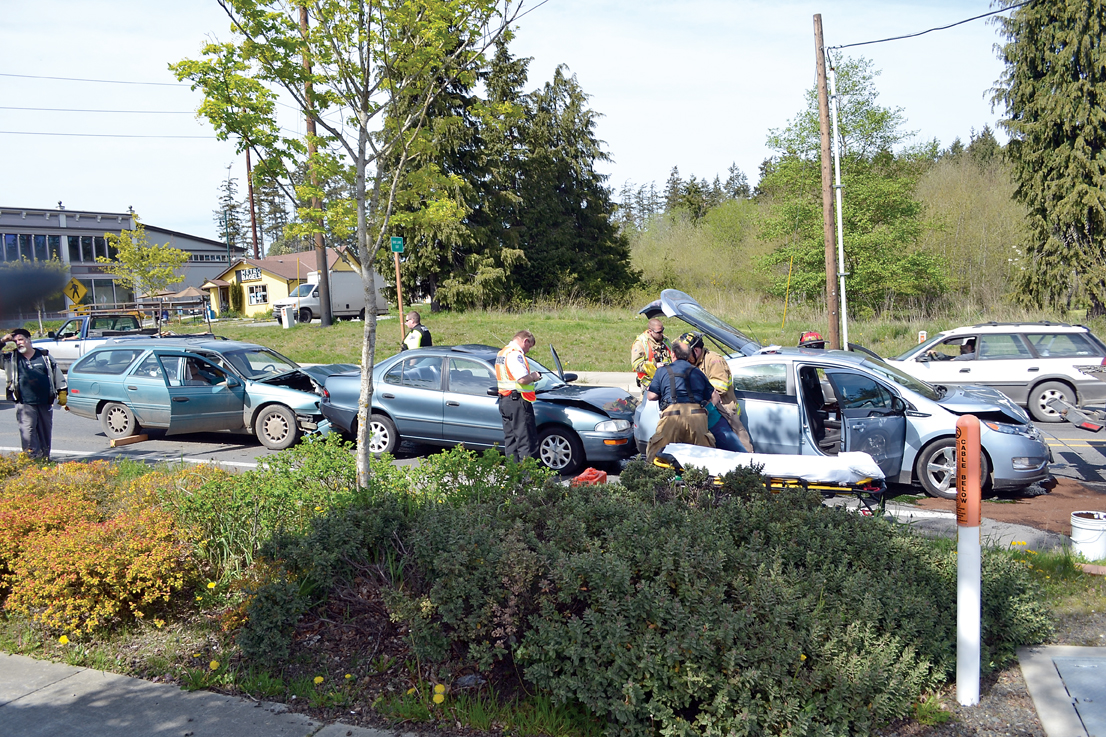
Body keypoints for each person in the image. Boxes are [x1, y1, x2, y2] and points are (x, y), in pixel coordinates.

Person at [644, 335, 718, 462]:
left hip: (671, 416)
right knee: (704, 459)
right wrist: (705, 409)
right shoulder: (697, 371)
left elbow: (652, 396)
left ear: (673, 354)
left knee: (657, 455)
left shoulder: (662, 371)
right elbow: (715, 396)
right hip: (697, 416)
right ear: (689, 355)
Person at [683, 331, 755, 453]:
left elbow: (720, 386)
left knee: (739, 442)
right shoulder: (694, 362)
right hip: (709, 411)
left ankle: (749, 465)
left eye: (687, 354)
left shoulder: (714, 360)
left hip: (725, 410)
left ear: (696, 351)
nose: (685, 358)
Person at [2, 328, 67, 461]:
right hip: (24, 403)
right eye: (15, 341)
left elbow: (56, 373)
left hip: (45, 402)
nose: (18, 343)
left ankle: (44, 459)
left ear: (29, 340)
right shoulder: (11, 358)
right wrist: (3, 340)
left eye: (21, 339)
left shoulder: (44, 356)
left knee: (45, 432)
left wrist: (62, 391)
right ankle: (32, 460)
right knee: (28, 432)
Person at [495, 329, 542, 463]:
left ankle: (514, 476)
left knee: (511, 442)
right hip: (518, 402)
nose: (528, 350)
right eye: (529, 346)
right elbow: (522, 379)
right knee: (526, 441)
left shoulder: (502, 353)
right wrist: (534, 376)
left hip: (505, 401)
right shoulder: (515, 355)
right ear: (525, 340)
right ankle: (528, 478)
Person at [630, 319, 673, 387]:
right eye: (658, 332)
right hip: (649, 383)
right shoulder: (640, 343)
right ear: (650, 331)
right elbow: (636, 365)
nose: (661, 334)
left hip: (665, 380)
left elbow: (672, 356)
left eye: (662, 331)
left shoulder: (665, 340)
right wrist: (655, 365)